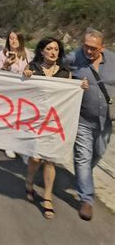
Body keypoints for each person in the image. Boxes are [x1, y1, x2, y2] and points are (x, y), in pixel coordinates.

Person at [23, 37, 82, 219]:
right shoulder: (32, 69)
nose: (53, 52)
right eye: (49, 48)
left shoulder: (65, 73)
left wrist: (81, 87)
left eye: (56, 49)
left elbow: (71, 93)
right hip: (35, 120)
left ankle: (47, 196)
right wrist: (24, 76)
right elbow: (22, 90)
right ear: (41, 51)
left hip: (55, 122)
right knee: (35, 157)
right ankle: (30, 181)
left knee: (50, 159)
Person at [65, 28, 114, 221]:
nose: (88, 51)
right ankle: (86, 199)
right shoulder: (74, 57)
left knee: (98, 154)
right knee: (83, 157)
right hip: (83, 119)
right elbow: (55, 67)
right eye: (85, 46)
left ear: (102, 47)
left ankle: (84, 177)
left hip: (106, 121)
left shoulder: (113, 61)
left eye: (93, 48)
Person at [0, 30, 33, 158]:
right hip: (7, 90)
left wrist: (28, 71)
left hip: (23, 90)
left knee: (20, 117)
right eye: (11, 38)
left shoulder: (26, 54)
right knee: (8, 117)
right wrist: (5, 65)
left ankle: (19, 143)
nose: (13, 41)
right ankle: (8, 144)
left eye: (16, 38)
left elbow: (31, 68)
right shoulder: (1, 54)